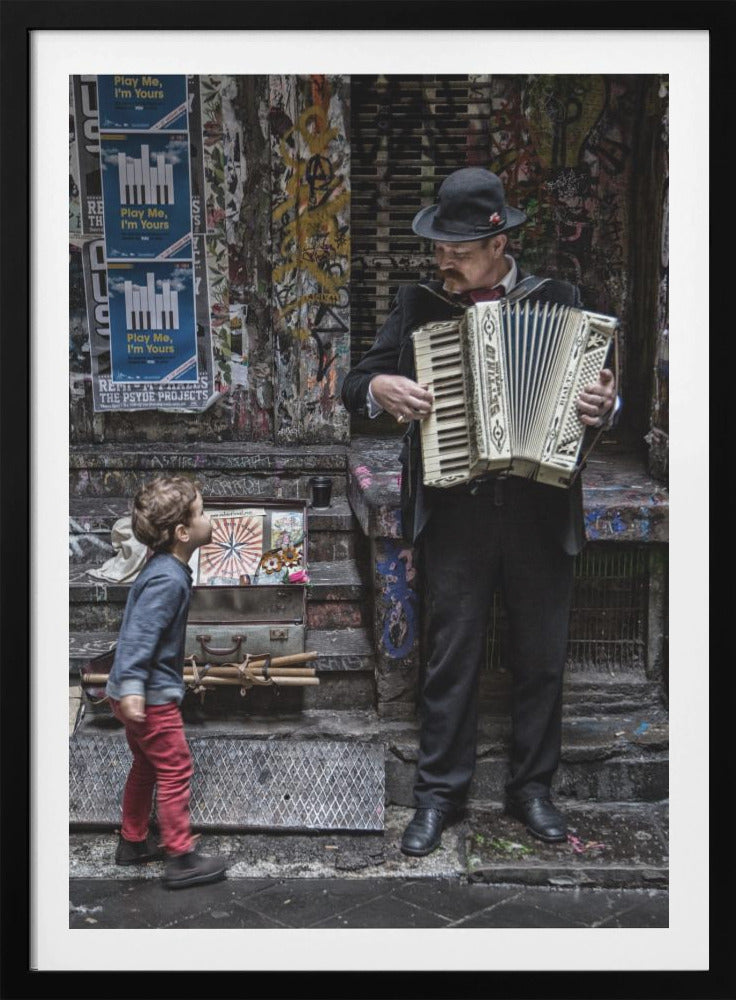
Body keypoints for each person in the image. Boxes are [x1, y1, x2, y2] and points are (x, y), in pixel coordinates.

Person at [341, 168, 617, 857]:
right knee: (452, 657)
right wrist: (380, 384)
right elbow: (354, 386)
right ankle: (439, 796)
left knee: (541, 658)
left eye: (457, 252)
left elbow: (600, 404)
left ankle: (532, 791)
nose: (443, 263)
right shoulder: (418, 308)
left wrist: (602, 409)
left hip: (540, 506)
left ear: (498, 246)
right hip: (455, 508)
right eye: (438, 249)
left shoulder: (562, 300)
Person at [105, 475, 229, 888]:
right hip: (149, 698)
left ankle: (133, 841)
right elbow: (140, 634)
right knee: (175, 768)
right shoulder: (167, 579)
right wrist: (135, 687)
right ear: (182, 533)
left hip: (134, 693)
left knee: (145, 765)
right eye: (202, 513)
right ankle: (181, 858)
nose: (209, 518)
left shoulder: (165, 567)